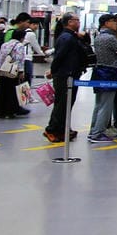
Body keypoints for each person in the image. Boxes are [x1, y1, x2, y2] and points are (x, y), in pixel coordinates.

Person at [44, 13, 89, 141]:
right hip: (65, 75)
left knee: (68, 104)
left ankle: (62, 128)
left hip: (72, 74)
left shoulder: (72, 36)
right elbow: (59, 56)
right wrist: (53, 71)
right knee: (62, 104)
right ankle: (51, 129)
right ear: (70, 22)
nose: (79, 23)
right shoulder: (66, 38)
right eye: (77, 20)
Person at [88, 14, 117, 143]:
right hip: (110, 72)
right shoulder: (111, 38)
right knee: (106, 105)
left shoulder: (99, 37)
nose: (116, 24)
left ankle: (93, 130)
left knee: (99, 104)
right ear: (106, 23)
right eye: (113, 21)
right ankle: (97, 133)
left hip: (99, 71)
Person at [0, 30, 29, 119]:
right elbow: (19, 59)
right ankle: (11, 111)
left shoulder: (4, 44)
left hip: (3, 70)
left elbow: (1, 57)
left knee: (2, 91)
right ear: (22, 37)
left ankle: (0, 110)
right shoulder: (20, 45)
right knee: (12, 91)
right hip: (13, 71)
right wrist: (21, 71)